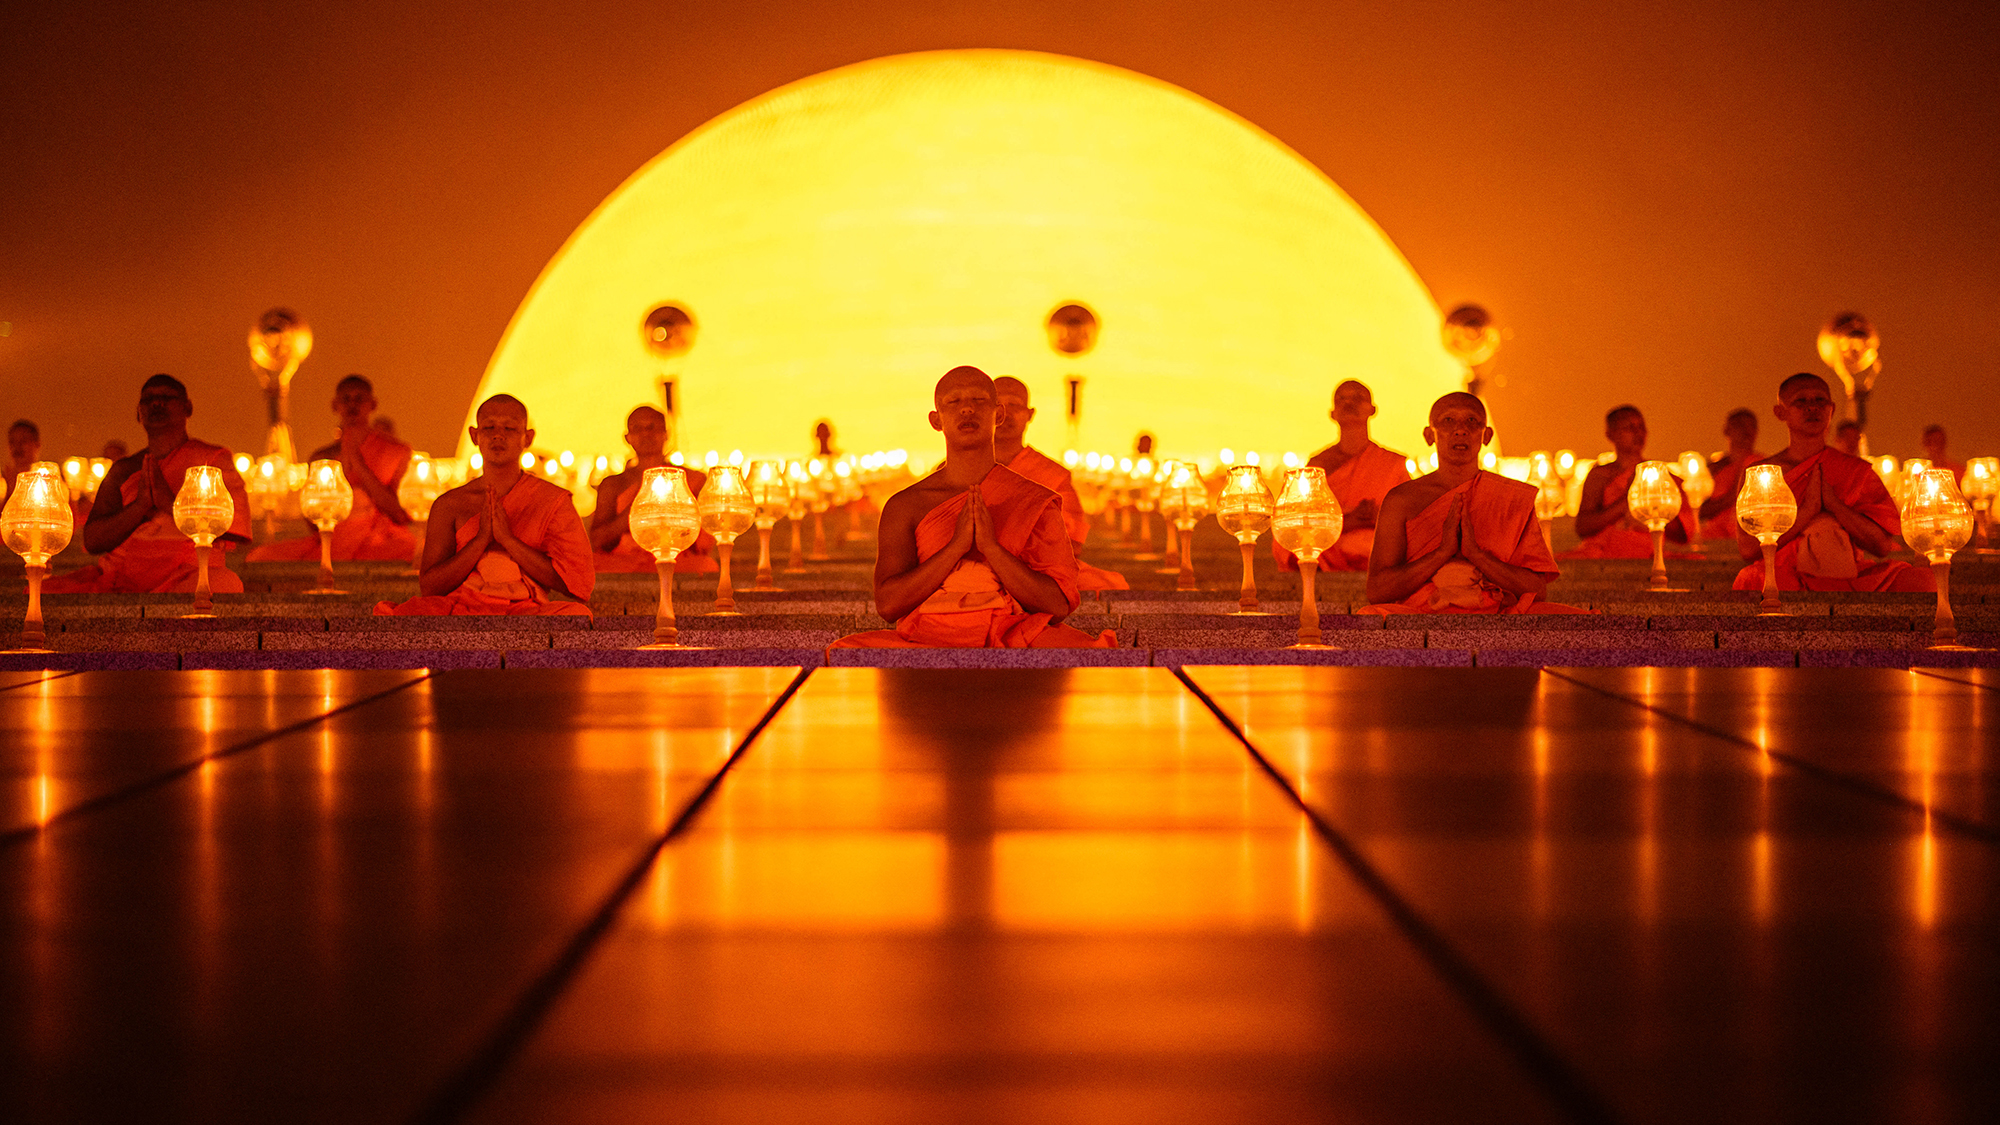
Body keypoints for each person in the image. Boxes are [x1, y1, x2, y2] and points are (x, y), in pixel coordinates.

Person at [830, 366, 1115, 648]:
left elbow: (1058, 605)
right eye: (954, 402)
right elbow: (888, 606)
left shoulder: (1034, 498)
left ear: (998, 415)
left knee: (1095, 656)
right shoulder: (905, 506)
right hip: (929, 638)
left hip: (1016, 636)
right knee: (843, 651)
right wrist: (955, 547)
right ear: (936, 420)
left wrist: (992, 549)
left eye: (978, 400)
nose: (967, 409)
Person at [1360, 392, 1589, 615]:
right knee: (1370, 615)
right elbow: (1379, 590)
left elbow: (1537, 590)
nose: (1461, 430)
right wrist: (1441, 553)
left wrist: (1477, 555)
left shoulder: (1509, 498)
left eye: (1471, 421)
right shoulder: (1402, 500)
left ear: (1486, 435)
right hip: (1422, 610)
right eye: (1448, 420)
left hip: (1497, 611)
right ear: (1430, 435)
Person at [375, 395, 594, 615]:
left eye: (509, 428)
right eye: (489, 427)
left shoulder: (550, 500)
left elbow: (576, 583)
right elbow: (430, 587)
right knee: (404, 615)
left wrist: (508, 540)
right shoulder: (449, 504)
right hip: (460, 608)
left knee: (577, 615)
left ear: (527, 438)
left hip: (524, 611)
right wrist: (480, 541)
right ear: (475, 435)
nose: (498, 435)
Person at [44, 375, 251, 594]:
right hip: (123, 579)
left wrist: (170, 505)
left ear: (187, 407)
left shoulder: (212, 460)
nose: (157, 403)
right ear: (138, 412)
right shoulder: (124, 470)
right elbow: (93, 540)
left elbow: (232, 529)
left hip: (187, 574)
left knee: (225, 584)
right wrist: (139, 507)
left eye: (166, 397)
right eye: (148, 399)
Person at [1733, 374, 1931, 594]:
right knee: (1752, 580)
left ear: (1832, 410)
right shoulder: (1761, 476)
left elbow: (1882, 546)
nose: (1812, 408)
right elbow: (1749, 548)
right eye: (1801, 401)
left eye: (1820, 401)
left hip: (1847, 572)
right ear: (1780, 413)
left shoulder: (1854, 470)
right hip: (1784, 573)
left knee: (1922, 581)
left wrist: (1835, 506)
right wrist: (1807, 511)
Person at [248, 375, 416, 561]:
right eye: (346, 399)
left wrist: (358, 464)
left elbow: (400, 514)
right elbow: (311, 517)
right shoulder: (322, 458)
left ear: (373, 404)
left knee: (412, 549)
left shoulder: (395, 451)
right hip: (334, 538)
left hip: (382, 541)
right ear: (335, 405)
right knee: (261, 557)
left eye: (359, 398)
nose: (353, 404)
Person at [991, 376, 1128, 591]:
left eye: (1015, 405)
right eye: (999, 405)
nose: (1006, 413)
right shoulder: (956, 470)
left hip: (1036, 575)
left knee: (1108, 586)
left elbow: (1070, 541)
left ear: (1030, 414)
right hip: (974, 574)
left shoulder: (1052, 475)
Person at [1277, 380, 1410, 571]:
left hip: (1373, 541)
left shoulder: (1391, 464)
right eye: (1341, 399)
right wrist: (1349, 520)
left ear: (1372, 410)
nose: (1349, 404)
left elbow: (1410, 515)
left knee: (1375, 546)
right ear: (1333, 413)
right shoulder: (1318, 465)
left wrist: (1377, 516)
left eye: (1357, 398)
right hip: (1331, 544)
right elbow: (1300, 520)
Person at [589, 405, 716, 573]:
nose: (645, 434)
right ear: (627, 437)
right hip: (626, 561)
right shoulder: (613, 484)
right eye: (637, 428)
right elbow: (596, 541)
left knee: (705, 566)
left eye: (651, 427)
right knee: (594, 565)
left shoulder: (691, 479)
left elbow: (705, 536)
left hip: (678, 559)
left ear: (666, 434)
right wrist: (635, 514)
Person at [1561, 405, 1696, 558]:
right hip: (1603, 555)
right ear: (1610, 435)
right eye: (1629, 428)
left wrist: (1654, 511)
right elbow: (1583, 527)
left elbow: (1684, 533)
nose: (1638, 433)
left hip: (1649, 554)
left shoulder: (1661, 477)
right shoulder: (1600, 476)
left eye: (1641, 427)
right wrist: (1628, 502)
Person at [1701, 408, 1764, 539]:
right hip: (1712, 537)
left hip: (1748, 536)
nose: (1746, 431)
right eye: (1740, 425)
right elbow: (1696, 508)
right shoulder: (1713, 469)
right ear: (1726, 430)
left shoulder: (1760, 465)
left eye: (1751, 426)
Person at [6, 420, 41, 495]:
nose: (17, 447)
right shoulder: (3, 482)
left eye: (24, 441)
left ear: (37, 445)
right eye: (12, 442)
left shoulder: (44, 482)